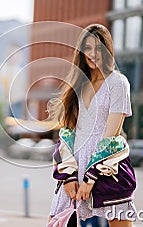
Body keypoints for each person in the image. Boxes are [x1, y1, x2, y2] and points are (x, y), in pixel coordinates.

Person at [48, 24, 137, 227]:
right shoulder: (78, 84)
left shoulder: (118, 82)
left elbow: (111, 138)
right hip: (75, 167)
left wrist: (90, 178)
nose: (93, 54)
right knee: (56, 222)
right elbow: (67, 134)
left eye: (99, 48)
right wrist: (68, 176)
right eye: (88, 48)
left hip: (106, 169)